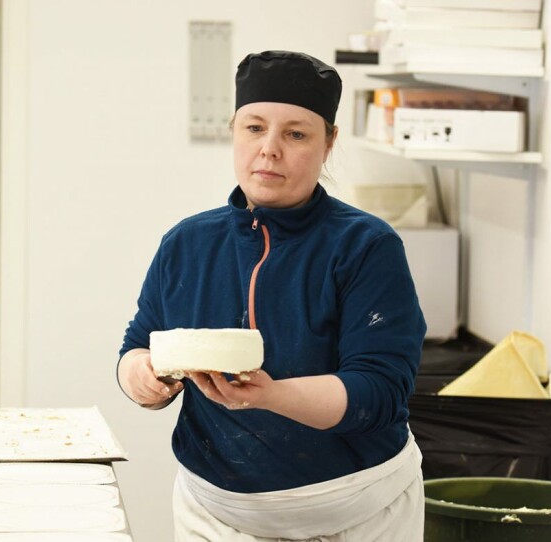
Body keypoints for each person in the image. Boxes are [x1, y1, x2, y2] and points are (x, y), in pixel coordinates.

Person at [117, 50, 427, 541]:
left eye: (296, 134)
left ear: (329, 143)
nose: (269, 150)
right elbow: (138, 344)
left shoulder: (366, 247)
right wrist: (141, 380)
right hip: (217, 516)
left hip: (355, 513)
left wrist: (275, 396)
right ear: (234, 131)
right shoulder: (188, 243)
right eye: (254, 128)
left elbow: (380, 392)